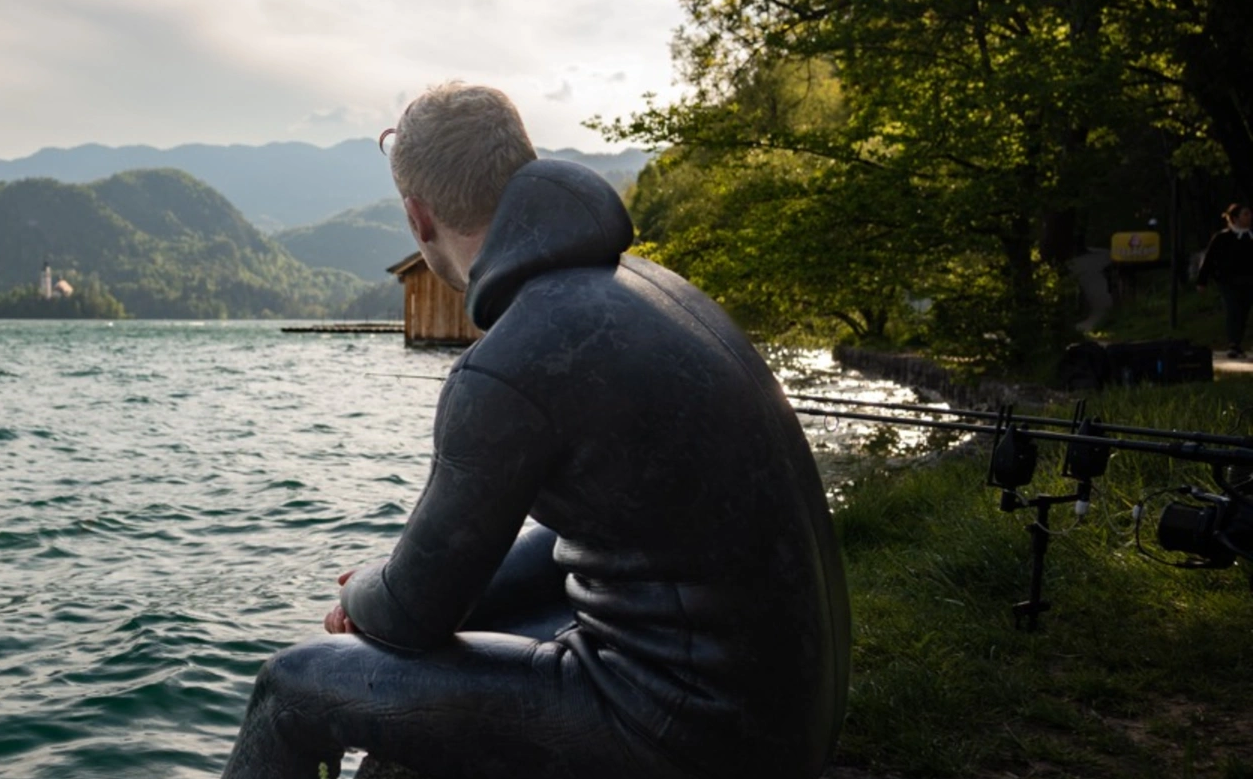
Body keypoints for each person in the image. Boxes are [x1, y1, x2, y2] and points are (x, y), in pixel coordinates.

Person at [221, 82, 850, 779]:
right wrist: (405, 594)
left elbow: (411, 610)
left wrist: (362, 594)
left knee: (291, 686)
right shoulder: (652, 290)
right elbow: (575, 539)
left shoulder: (510, 362)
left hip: (685, 742)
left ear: (417, 217)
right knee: (453, 633)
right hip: (785, 721)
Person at [1196, 202, 1253, 359]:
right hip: (1227, 281)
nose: (1249, 217)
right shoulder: (1222, 238)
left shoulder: (1251, 237)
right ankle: (1233, 344)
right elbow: (1209, 259)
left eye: (1249, 214)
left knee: (1244, 310)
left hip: (1248, 280)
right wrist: (1202, 281)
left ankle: (1238, 343)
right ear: (1235, 218)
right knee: (1233, 308)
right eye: (1245, 214)